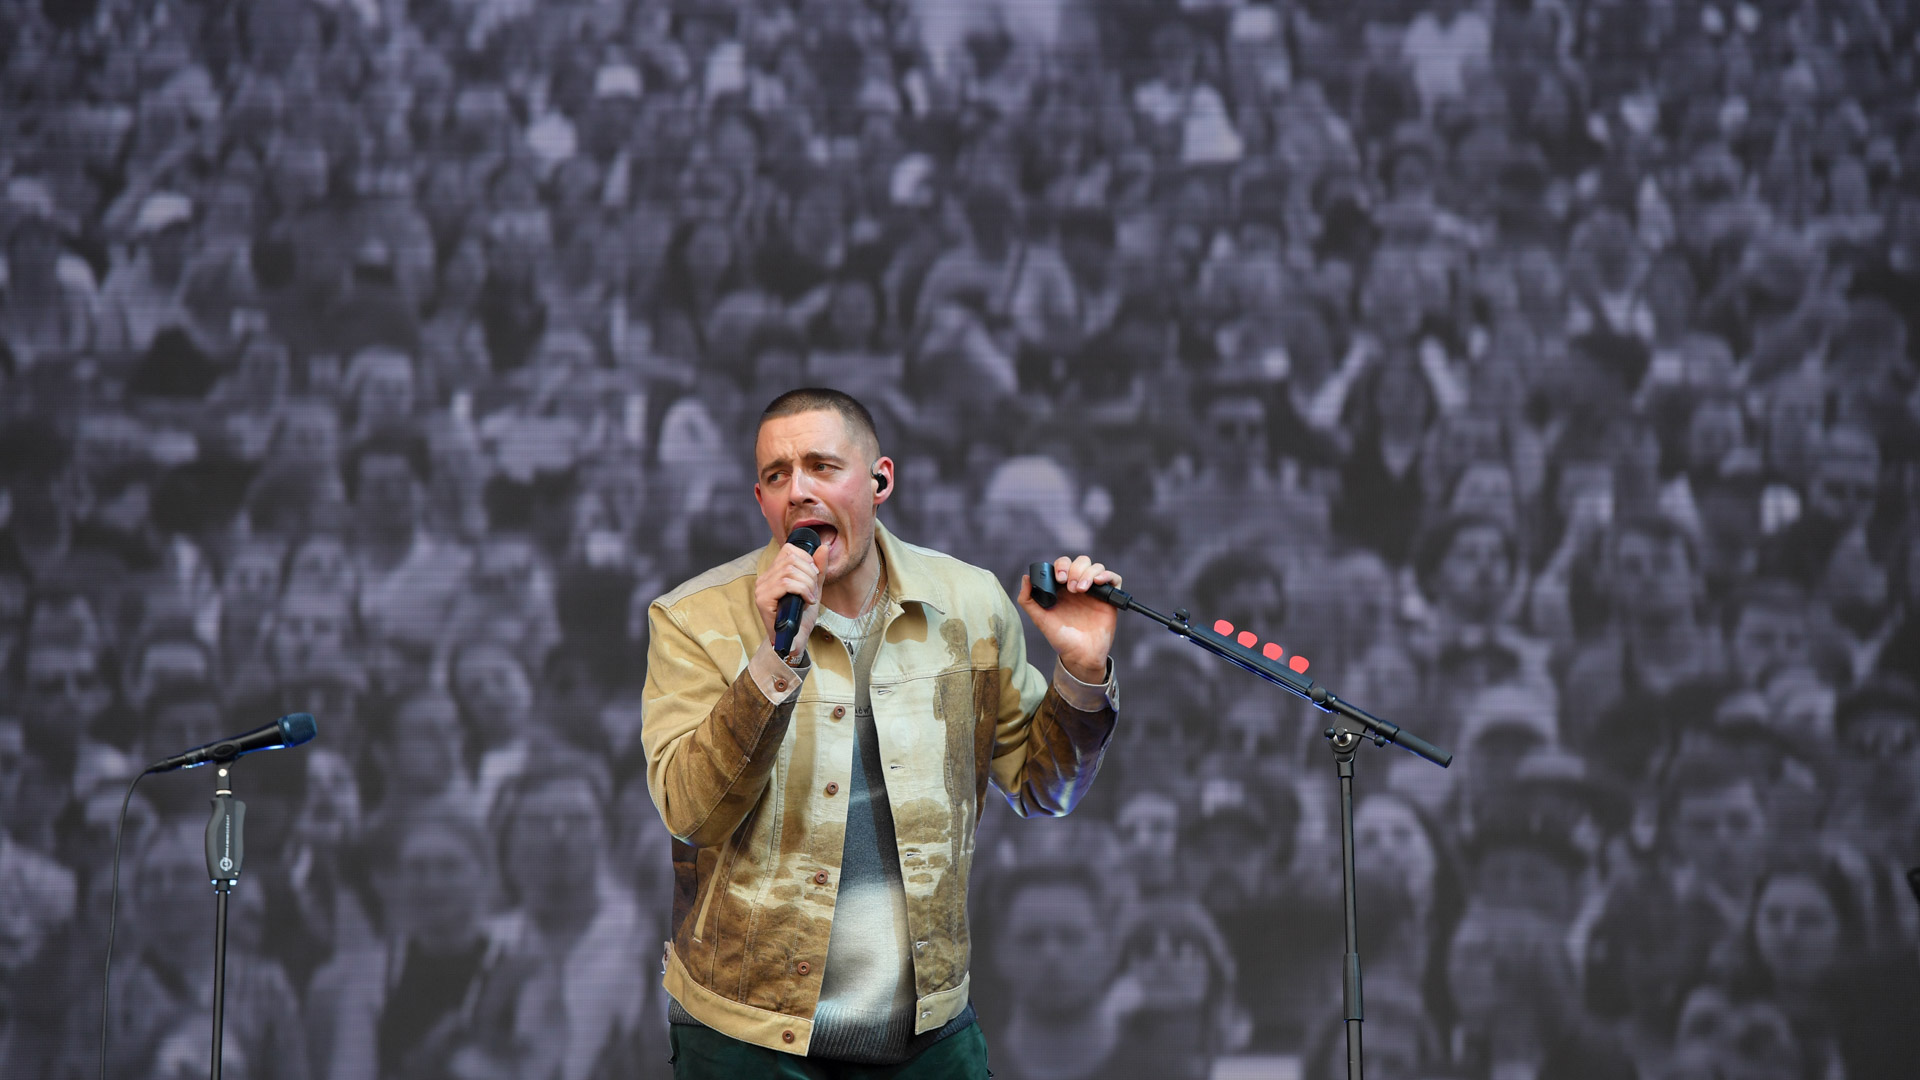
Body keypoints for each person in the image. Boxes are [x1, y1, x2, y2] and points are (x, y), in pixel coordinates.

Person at [641, 388, 1122, 1075]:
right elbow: (692, 813)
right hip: (745, 1039)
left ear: (880, 480)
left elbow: (1045, 790)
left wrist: (1081, 670)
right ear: (761, 500)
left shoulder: (969, 605)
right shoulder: (694, 620)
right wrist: (775, 661)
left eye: (821, 466)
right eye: (777, 476)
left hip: (930, 1036)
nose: (799, 491)